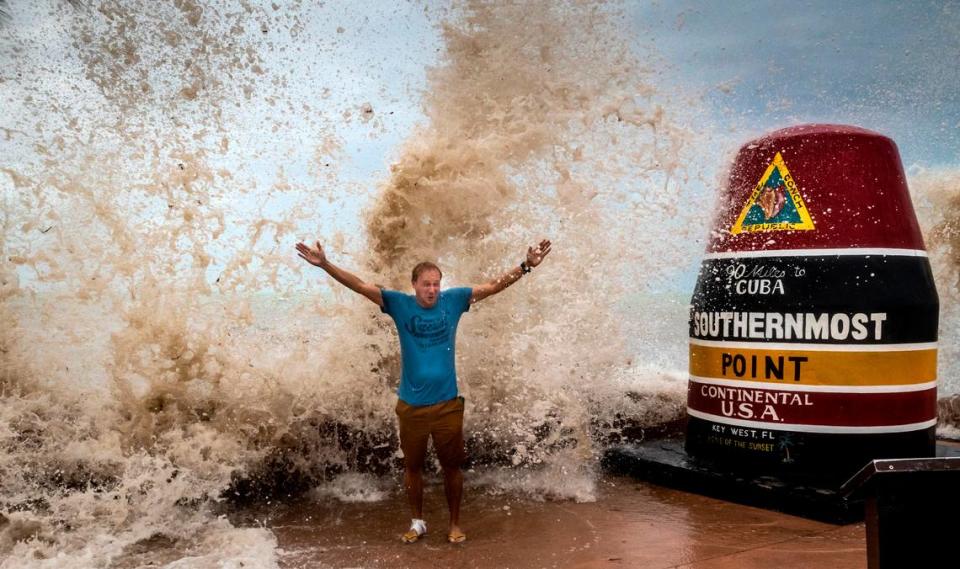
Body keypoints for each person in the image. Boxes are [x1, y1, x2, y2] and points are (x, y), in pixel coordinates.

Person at [295, 238, 552, 544]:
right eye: (426, 284)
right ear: (414, 285)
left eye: (436, 284)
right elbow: (360, 285)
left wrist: (525, 266)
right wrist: (325, 264)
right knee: (412, 467)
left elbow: (493, 286)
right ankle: (418, 522)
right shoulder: (398, 304)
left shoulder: (454, 301)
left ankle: (455, 523)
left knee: (452, 467)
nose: (432, 290)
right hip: (411, 405)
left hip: (447, 405)